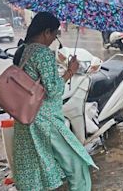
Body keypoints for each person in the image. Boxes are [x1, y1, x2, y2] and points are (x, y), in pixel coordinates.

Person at [12, 12, 97, 191]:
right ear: (46, 32)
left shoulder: (25, 50)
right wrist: (70, 71)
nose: (54, 39)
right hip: (45, 120)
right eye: (55, 34)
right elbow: (53, 90)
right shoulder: (42, 53)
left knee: (35, 166)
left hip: (26, 118)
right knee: (77, 163)